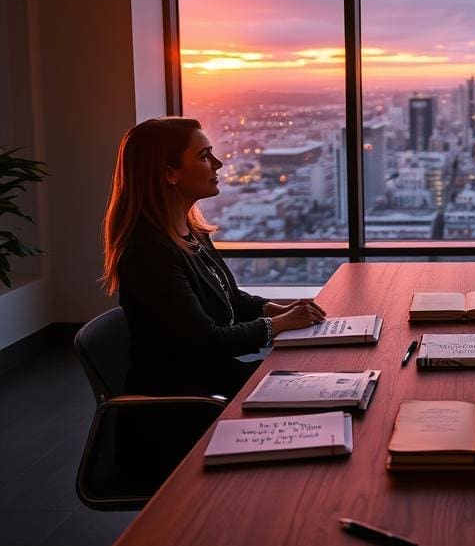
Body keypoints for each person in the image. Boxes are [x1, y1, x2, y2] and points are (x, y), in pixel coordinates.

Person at [102, 117, 326, 398]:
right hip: (187, 403)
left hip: (216, 379)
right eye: (204, 156)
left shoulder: (192, 233)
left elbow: (230, 297)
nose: (218, 163)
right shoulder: (148, 252)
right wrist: (280, 324)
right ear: (170, 173)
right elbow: (206, 341)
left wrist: (277, 309)